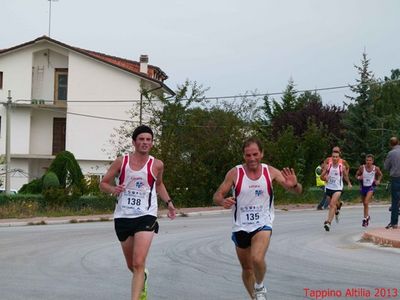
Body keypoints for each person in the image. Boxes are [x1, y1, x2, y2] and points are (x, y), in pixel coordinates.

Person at [213, 137, 302, 300]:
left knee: (257, 258)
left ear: (262, 154)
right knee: (247, 269)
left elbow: (296, 191)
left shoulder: (271, 172)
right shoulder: (235, 173)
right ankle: (254, 297)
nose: (252, 158)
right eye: (248, 155)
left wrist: (295, 185)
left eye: (255, 154)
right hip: (240, 226)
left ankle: (259, 286)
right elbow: (217, 195)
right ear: (243, 156)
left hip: (263, 223)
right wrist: (222, 201)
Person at [100, 125, 176, 300]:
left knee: (138, 262)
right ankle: (143, 277)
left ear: (152, 143)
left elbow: (158, 185)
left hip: (146, 215)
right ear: (134, 142)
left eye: (148, 140)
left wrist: (169, 202)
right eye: (141, 139)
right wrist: (113, 189)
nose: (145, 142)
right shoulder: (122, 162)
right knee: (131, 265)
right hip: (123, 216)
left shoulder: (157, 165)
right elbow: (103, 183)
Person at [320, 149, 352, 231]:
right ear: (332, 157)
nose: (334, 158)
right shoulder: (328, 166)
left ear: (339, 158)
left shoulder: (342, 167)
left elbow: (345, 176)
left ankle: (328, 223)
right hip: (329, 188)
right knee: (333, 205)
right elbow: (321, 177)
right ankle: (338, 208)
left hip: (338, 188)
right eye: (333, 157)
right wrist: (325, 178)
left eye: (336, 157)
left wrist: (349, 183)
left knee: (331, 204)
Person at [355, 154, 383, 227]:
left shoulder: (375, 168)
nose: (368, 162)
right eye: (367, 160)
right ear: (365, 161)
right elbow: (356, 175)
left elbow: (380, 175)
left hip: (370, 187)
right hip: (363, 187)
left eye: (370, 160)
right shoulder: (362, 168)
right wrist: (359, 177)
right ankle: (367, 217)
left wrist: (378, 181)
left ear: (372, 161)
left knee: (366, 202)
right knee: (364, 204)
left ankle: (365, 219)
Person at [384, 136, 400, 229]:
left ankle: (394, 223)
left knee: (395, 201)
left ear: (390, 144)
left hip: (396, 178)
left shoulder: (391, 153)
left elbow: (386, 167)